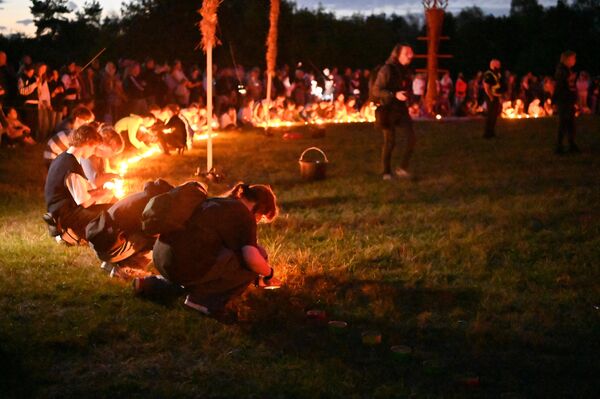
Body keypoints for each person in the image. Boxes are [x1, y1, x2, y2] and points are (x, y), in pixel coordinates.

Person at [134, 183, 281, 319]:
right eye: (261, 218)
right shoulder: (243, 214)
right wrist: (269, 274)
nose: (257, 222)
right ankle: (204, 302)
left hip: (162, 257)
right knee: (254, 260)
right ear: (260, 209)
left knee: (201, 267)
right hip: (185, 265)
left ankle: (154, 285)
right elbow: (251, 258)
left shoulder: (217, 202)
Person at [44, 124, 115, 242]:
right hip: (65, 214)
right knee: (112, 211)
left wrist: (96, 192)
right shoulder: (71, 167)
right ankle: (70, 234)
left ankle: (71, 233)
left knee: (109, 208)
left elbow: (76, 192)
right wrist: (104, 194)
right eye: (93, 148)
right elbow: (85, 203)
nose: (93, 152)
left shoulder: (63, 157)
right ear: (87, 142)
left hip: (59, 209)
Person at [371, 43, 416, 180]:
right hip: (388, 110)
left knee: (411, 138)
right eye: (406, 53)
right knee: (390, 142)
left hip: (401, 110)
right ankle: (386, 172)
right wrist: (393, 94)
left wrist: (410, 100)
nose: (410, 56)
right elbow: (376, 90)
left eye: (411, 53)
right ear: (397, 55)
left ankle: (402, 168)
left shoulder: (405, 70)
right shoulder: (387, 69)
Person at [553, 50, 579, 154]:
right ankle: (559, 146)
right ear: (567, 59)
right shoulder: (561, 71)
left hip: (568, 100)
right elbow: (562, 85)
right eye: (573, 58)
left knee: (570, 123)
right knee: (564, 122)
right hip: (564, 100)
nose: (574, 61)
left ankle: (571, 143)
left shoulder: (567, 70)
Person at [482, 59, 505, 139]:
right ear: (494, 65)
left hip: (496, 96)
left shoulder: (497, 74)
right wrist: (491, 97)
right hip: (491, 97)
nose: (500, 66)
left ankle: (492, 132)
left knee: (494, 115)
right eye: (498, 64)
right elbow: (486, 87)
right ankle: (487, 133)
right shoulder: (489, 74)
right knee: (490, 115)